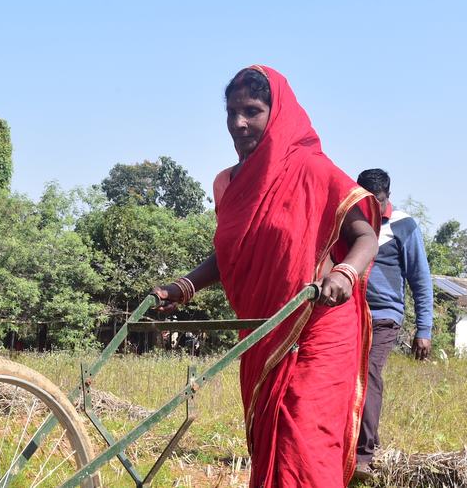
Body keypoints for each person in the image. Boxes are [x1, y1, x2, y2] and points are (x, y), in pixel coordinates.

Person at [153, 65, 380, 487]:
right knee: (270, 441)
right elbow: (229, 254)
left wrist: (346, 273)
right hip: (264, 329)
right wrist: (182, 286)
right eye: (231, 111)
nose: (238, 123)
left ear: (277, 114)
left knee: (303, 443)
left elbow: (365, 235)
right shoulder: (231, 184)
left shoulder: (314, 171)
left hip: (318, 328)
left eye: (252, 111)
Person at [352, 168, 434, 482]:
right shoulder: (350, 220)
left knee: (368, 375)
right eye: (367, 201)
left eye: (380, 201)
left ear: (388, 196)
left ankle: (364, 455)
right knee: (342, 378)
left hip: (384, 315)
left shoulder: (403, 225)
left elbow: (420, 279)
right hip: (349, 314)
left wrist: (423, 329)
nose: (374, 207)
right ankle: (346, 444)